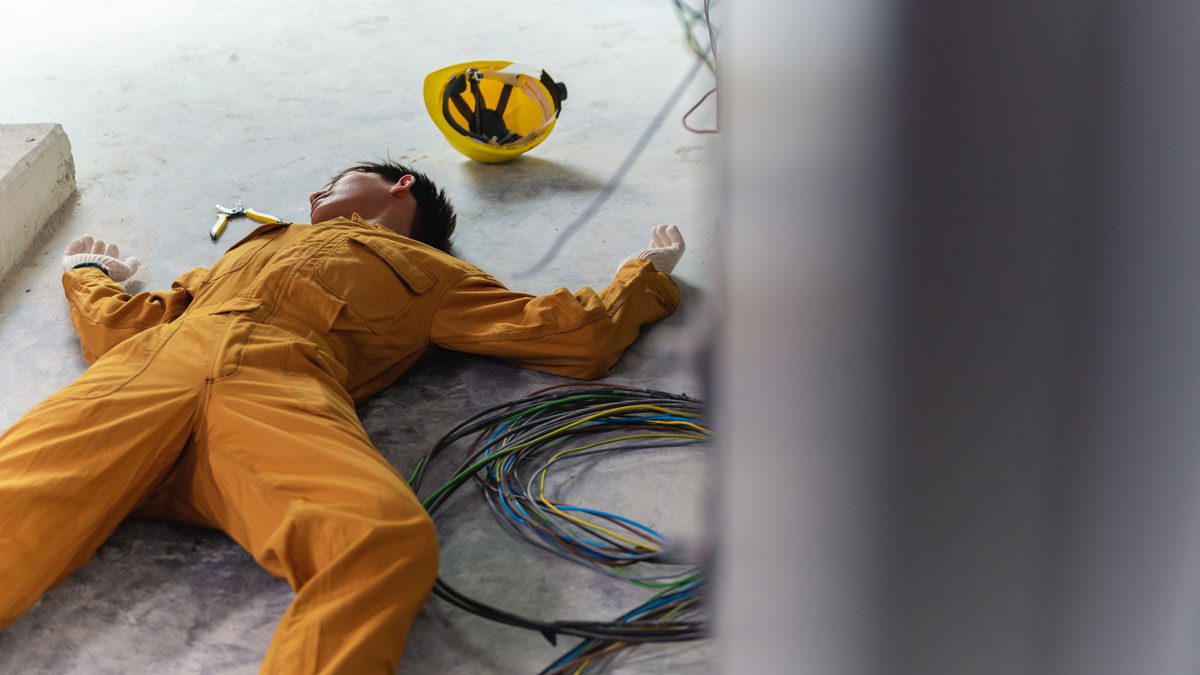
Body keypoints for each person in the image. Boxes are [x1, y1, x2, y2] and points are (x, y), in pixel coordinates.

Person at [0, 161, 686, 674]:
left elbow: (571, 334)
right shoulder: (251, 247)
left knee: (380, 541)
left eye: (333, 181)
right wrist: (87, 272)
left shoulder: (433, 272)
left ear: (401, 186)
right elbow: (124, 330)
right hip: (151, 370)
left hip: (278, 396)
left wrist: (644, 276)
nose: (312, 196)